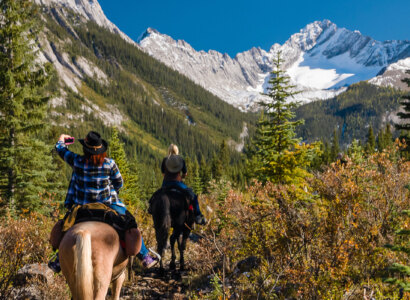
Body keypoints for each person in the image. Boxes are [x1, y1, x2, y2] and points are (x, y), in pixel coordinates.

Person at [48, 131, 158, 272]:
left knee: (67, 226)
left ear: (85, 150)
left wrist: (62, 139)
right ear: (101, 151)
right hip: (107, 205)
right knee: (129, 222)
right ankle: (144, 257)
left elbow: (60, 149)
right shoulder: (109, 163)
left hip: (81, 208)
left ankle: (58, 260)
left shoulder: (77, 161)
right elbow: (119, 183)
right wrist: (111, 190)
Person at [161, 144, 206, 225]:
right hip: (178, 183)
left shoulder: (165, 159)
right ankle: (198, 215)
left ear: (169, 150)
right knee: (193, 196)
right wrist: (181, 177)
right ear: (177, 151)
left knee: (157, 197)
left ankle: (154, 213)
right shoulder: (181, 160)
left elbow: (163, 173)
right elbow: (185, 173)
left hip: (166, 184)